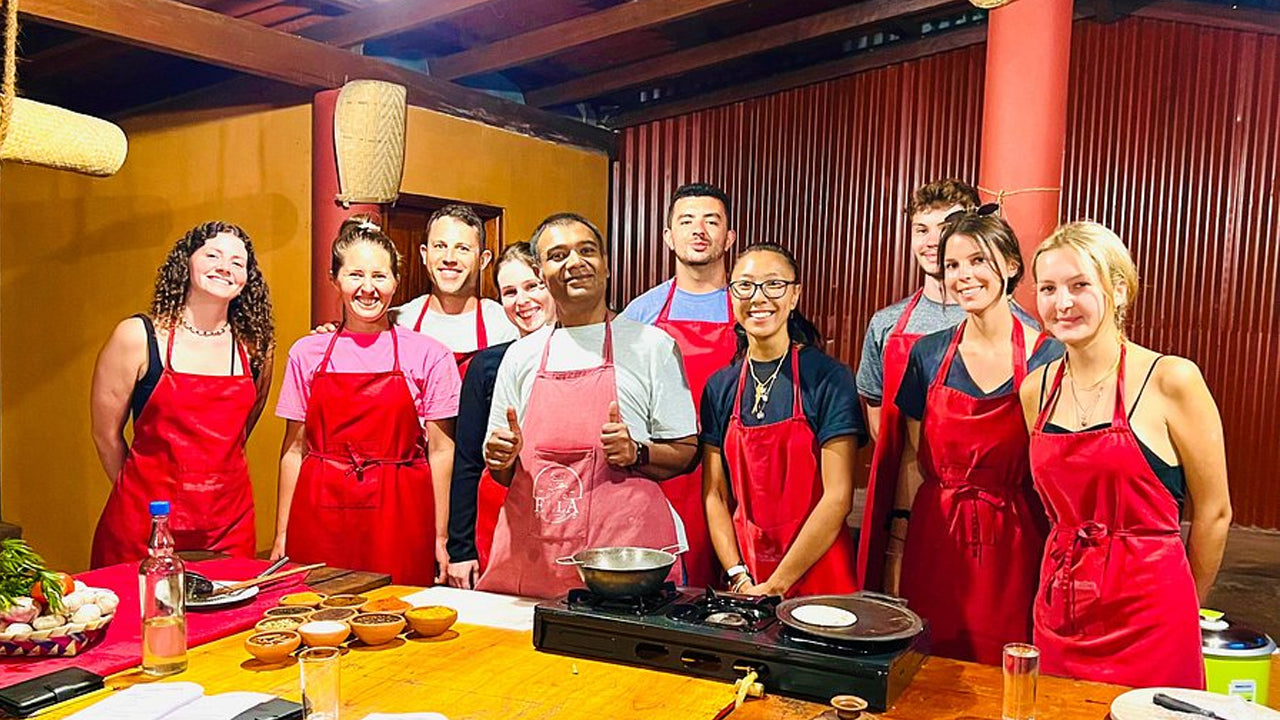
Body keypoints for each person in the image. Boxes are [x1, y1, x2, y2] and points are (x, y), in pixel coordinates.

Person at [1020, 221, 1231, 688]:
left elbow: (1215, 512)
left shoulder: (1171, 379)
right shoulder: (1036, 389)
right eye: (1048, 288)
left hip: (1152, 613)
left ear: (1118, 290)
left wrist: (1183, 606)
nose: (1062, 303)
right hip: (1061, 609)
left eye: (1079, 285)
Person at [478, 213, 698, 599]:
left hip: (625, 561)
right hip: (537, 554)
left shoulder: (652, 346)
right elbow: (502, 472)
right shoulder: (520, 355)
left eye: (587, 251)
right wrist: (500, 458)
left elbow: (686, 451)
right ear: (541, 273)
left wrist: (637, 452)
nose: (575, 262)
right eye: (558, 255)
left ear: (606, 265)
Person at [856, 180, 1037, 591]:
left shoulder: (1032, 339)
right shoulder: (887, 325)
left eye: (947, 227)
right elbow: (884, 427)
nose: (934, 241)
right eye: (922, 229)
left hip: (1005, 512)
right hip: (917, 498)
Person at [893, 211, 1057, 663]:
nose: (963, 275)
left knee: (1009, 660)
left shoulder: (1048, 356)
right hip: (936, 534)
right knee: (929, 663)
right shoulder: (928, 353)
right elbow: (913, 456)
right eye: (952, 265)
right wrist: (897, 544)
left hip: (1018, 536)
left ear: (1010, 265)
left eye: (978, 260)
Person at [273, 216, 460, 585]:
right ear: (335, 279)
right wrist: (282, 533)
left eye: (379, 276)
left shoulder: (431, 355)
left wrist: (440, 536)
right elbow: (294, 450)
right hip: (318, 513)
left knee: (400, 610)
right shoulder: (306, 353)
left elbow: (441, 451)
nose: (368, 288)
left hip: (401, 514)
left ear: (396, 282)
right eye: (355, 275)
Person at [89, 222, 274, 568]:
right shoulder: (136, 336)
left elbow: (242, 428)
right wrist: (136, 497)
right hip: (144, 526)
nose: (225, 267)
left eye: (237, 262)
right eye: (212, 255)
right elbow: (105, 435)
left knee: (233, 603)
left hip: (229, 525)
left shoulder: (256, 348)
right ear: (185, 262)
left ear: (248, 278)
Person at [701, 243, 866, 597]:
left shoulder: (829, 378)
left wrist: (777, 584)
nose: (758, 297)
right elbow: (715, 493)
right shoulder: (719, 387)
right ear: (731, 296)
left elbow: (838, 497)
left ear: (794, 296)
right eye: (745, 286)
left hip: (820, 575)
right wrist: (738, 576)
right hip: (747, 575)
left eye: (774, 284)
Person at [622, 182, 738, 589]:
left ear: (729, 237)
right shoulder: (641, 313)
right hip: (666, 471)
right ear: (669, 236)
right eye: (687, 221)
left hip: (738, 470)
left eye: (712, 221)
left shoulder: (750, 308)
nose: (699, 230)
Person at [445, 243, 555, 588]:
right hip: (498, 515)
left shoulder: (585, 354)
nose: (522, 300)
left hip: (563, 509)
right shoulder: (486, 365)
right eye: (510, 292)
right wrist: (460, 550)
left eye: (533, 286)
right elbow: (467, 462)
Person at [393, 204, 518, 373]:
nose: (449, 258)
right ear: (424, 254)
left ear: (483, 260)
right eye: (440, 246)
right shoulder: (399, 322)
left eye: (462, 249)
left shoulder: (506, 325)